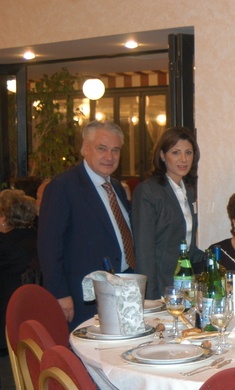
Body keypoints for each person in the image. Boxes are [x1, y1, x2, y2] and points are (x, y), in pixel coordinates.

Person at [38, 121, 134, 328]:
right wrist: (59, 293)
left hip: (120, 290)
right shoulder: (63, 187)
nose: (109, 157)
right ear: (85, 148)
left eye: (115, 150)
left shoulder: (116, 187)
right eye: (102, 148)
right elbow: (49, 247)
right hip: (82, 297)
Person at [132, 127, 202, 299]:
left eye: (188, 152)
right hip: (160, 284)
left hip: (183, 283)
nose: (183, 159)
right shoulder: (148, 191)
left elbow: (188, 243)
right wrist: (149, 296)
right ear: (163, 155)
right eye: (176, 152)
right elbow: (144, 251)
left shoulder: (188, 191)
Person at [0, 189, 38, 355]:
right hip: (32, 318)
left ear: (4, 218)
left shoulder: (5, 244)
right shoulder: (38, 236)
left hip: (6, 324)